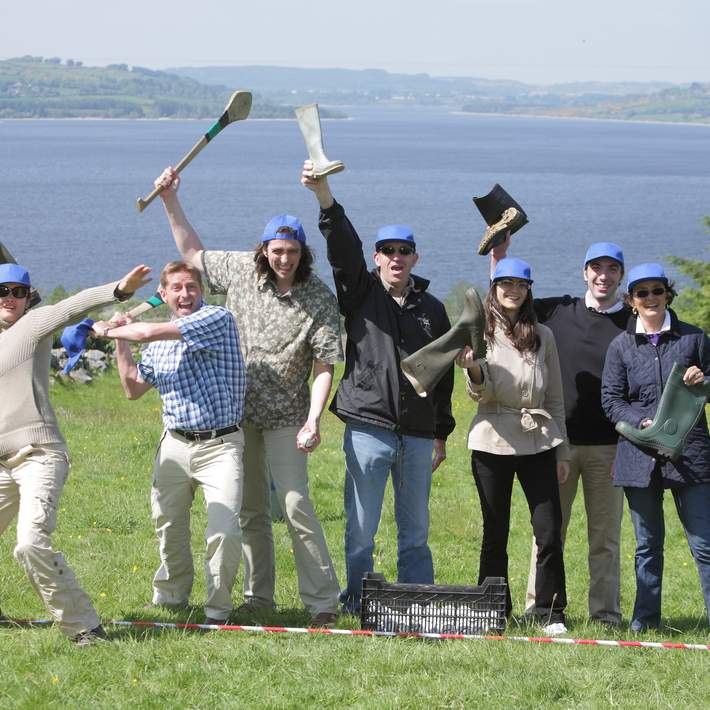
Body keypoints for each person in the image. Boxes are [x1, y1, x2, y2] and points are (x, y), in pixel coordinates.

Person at [152, 167, 342, 627]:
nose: (284, 259)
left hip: (287, 418)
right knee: (252, 509)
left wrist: (314, 418)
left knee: (295, 504)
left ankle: (323, 603)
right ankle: (260, 598)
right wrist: (170, 201)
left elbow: (324, 364)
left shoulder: (317, 297)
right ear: (264, 250)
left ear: (303, 253)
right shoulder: (240, 271)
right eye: (277, 251)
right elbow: (192, 253)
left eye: (292, 252)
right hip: (236, 418)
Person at [302, 160, 455, 614]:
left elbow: (442, 376)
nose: (395, 257)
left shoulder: (434, 309)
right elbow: (340, 248)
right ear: (376, 258)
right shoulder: (360, 294)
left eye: (404, 250)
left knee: (416, 529)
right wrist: (324, 199)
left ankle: (416, 604)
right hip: (369, 427)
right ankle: (359, 600)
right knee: (362, 528)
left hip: (419, 433)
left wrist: (442, 433)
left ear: (415, 257)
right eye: (386, 250)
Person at [0, 261, 151, 645]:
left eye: (18, 292)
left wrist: (120, 289)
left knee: (30, 543)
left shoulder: (32, 326)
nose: (10, 299)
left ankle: (84, 627)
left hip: (39, 456)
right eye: (2, 291)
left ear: (28, 298)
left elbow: (72, 306)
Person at [92, 260, 245, 625]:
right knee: (168, 524)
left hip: (219, 445)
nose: (185, 294)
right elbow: (132, 388)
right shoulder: (156, 340)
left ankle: (218, 610)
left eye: (191, 286)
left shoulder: (216, 319)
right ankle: (171, 597)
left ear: (201, 290)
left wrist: (109, 330)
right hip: (174, 442)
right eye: (176, 288)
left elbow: (148, 333)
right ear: (163, 295)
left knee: (223, 529)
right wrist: (121, 340)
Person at [493, 237, 629, 626]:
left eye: (612, 269)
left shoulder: (631, 319)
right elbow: (507, 299)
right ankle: (540, 609)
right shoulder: (558, 310)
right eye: (597, 268)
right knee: (549, 532)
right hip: (557, 444)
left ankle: (605, 615)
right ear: (585, 272)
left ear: (620, 276)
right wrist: (500, 255)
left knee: (604, 538)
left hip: (611, 447)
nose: (604, 276)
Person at [456, 257, 570, 635]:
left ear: (528, 290)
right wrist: (473, 369)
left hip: (539, 439)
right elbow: (479, 392)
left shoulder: (544, 335)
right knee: (495, 531)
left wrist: (562, 449)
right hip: (492, 440)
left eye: (520, 284)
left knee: (549, 530)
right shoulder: (480, 331)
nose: (513, 290)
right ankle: (492, 610)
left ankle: (551, 612)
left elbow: (554, 398)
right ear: (494, 288)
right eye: (505, 283)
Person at [601, 262, 710, 632]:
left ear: (667, 294)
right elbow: (611, 400)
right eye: (642, 293)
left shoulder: (694, 339)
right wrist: (639, 421)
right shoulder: (620, 346)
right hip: (638, 457)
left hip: (691, 457)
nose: (651, 298)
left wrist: (703, 379)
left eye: (657, 291)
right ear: (630, 301)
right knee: (648, 547)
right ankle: (645, 624)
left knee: (705, 546)